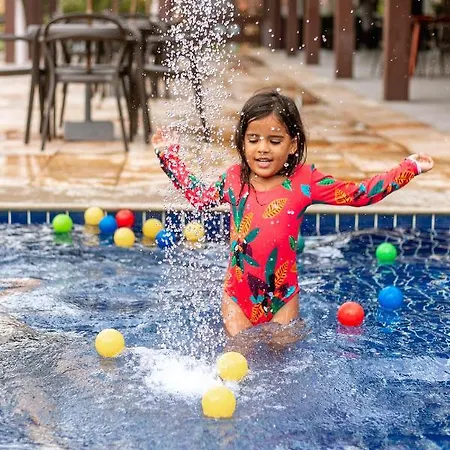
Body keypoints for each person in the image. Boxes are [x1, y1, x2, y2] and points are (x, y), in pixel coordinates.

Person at [152, 89, 434, 337]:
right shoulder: (234, 179)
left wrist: (408, 169)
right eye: (253, 139)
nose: (263, 149)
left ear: (293, 145)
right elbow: (199, 197)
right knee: (238, 361)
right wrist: (168, 155)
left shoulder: (304, 182)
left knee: (281, 369)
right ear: (242, 142)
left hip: (282, 299)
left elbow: (358, 194)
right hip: (238, 297)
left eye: (275, 141)